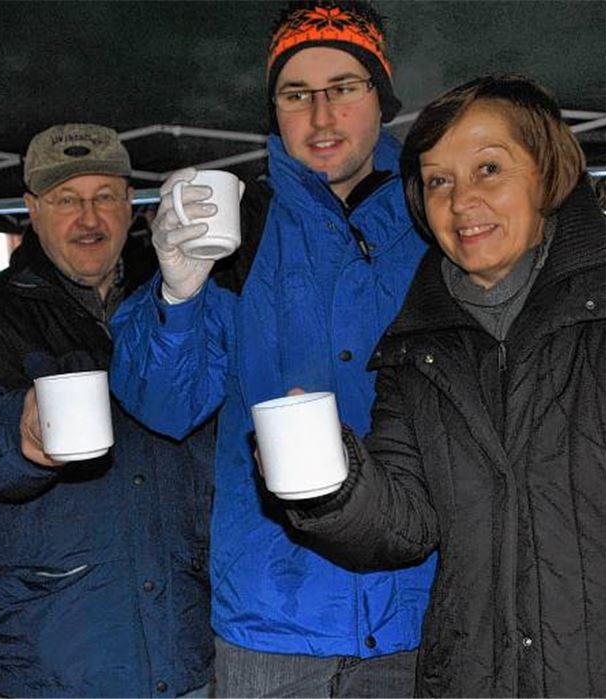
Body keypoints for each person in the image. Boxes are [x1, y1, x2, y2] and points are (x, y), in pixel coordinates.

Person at [110, 2, 437, 696]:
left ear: (381, 99)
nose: (321, 116)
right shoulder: (238, 231)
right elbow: (165, 407)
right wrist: (176, 295)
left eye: (343, 87)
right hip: (273, 619)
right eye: (296, 95)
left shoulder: (433, 222)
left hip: (420, 608)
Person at [282, 74, 606, 697]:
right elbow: (408, 524)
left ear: (547, 174)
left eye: (489, 169)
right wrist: (330, 479)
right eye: (438, 181)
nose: (461, 202)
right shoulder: (417, 347)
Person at [0, 123, 215, 698]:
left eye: (104, 197)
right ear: (32, 209)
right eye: (67, 200)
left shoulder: (180, 292)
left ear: (131, 204)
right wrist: (24, 440)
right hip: (61, 648)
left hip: (185, 636)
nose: (89, 219)